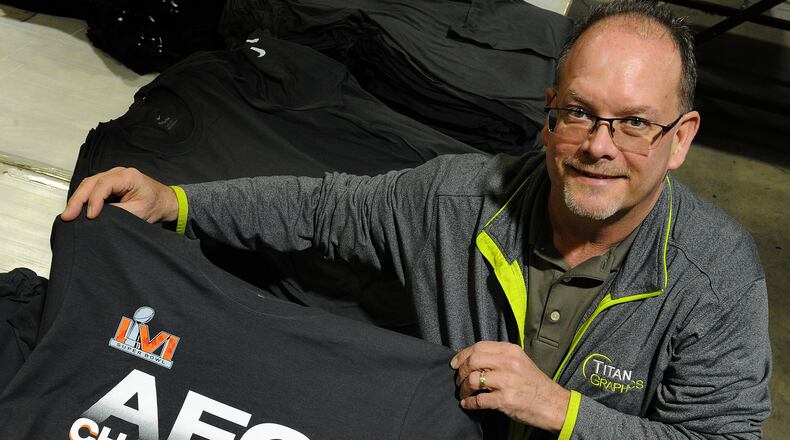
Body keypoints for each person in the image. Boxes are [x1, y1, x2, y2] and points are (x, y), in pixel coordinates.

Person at [61, 0, 771, 437]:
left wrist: (563, 412)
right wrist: (176, 202)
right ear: (547, 111)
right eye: (578, 114)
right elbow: (319, 208)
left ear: (681, 138)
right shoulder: (458, 199)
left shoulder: (717, 276)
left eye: (635, 124)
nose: (599, 146)